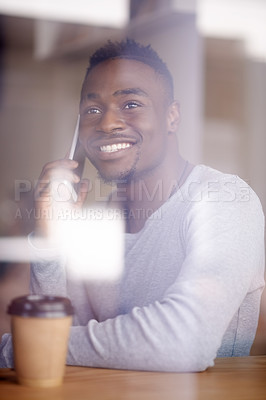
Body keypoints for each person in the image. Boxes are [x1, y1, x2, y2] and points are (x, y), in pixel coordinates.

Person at [0, 39, 265, 372]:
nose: (107, 123)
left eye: (131, 104)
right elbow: (59, 360)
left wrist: (29, 346)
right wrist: (49, 243)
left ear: (172, 116)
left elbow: (183, 342)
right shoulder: (93, 226)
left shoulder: (223, 200)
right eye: (92, 110)